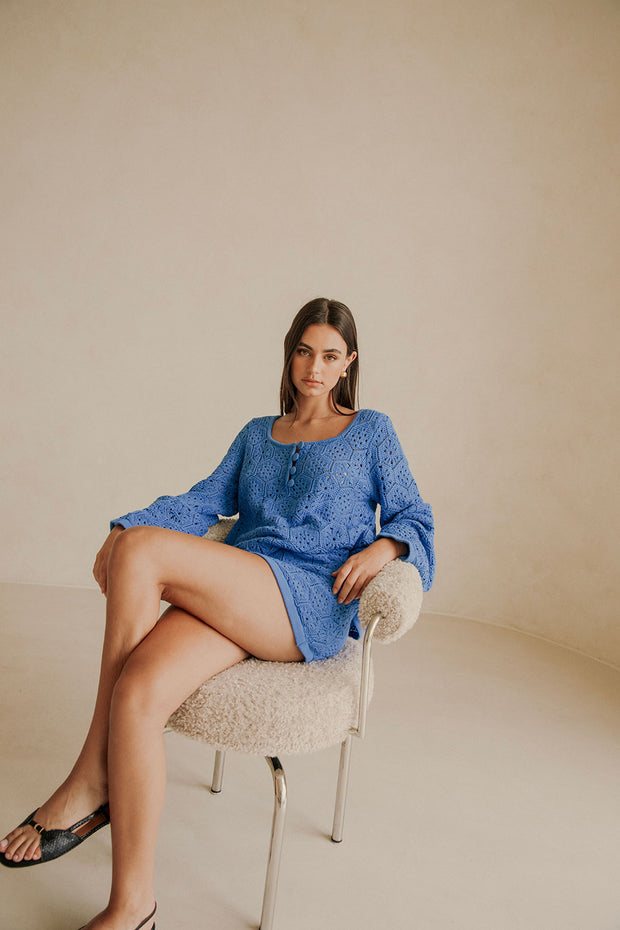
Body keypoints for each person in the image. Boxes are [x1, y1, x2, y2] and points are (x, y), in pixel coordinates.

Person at [0, 297, 435, 930]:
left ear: (349, 363)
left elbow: (415, 518)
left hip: (308, 600)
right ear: (289, 355)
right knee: (137, 691)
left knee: (140, 549)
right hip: (241, 590)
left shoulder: (371, 432)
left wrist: (384, 547)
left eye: (330, 356)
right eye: (304, 352)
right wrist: (126, 524)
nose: (315, 368)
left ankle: (91, 775)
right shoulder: (258, 434)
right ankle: (132, 908)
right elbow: (204, 500)